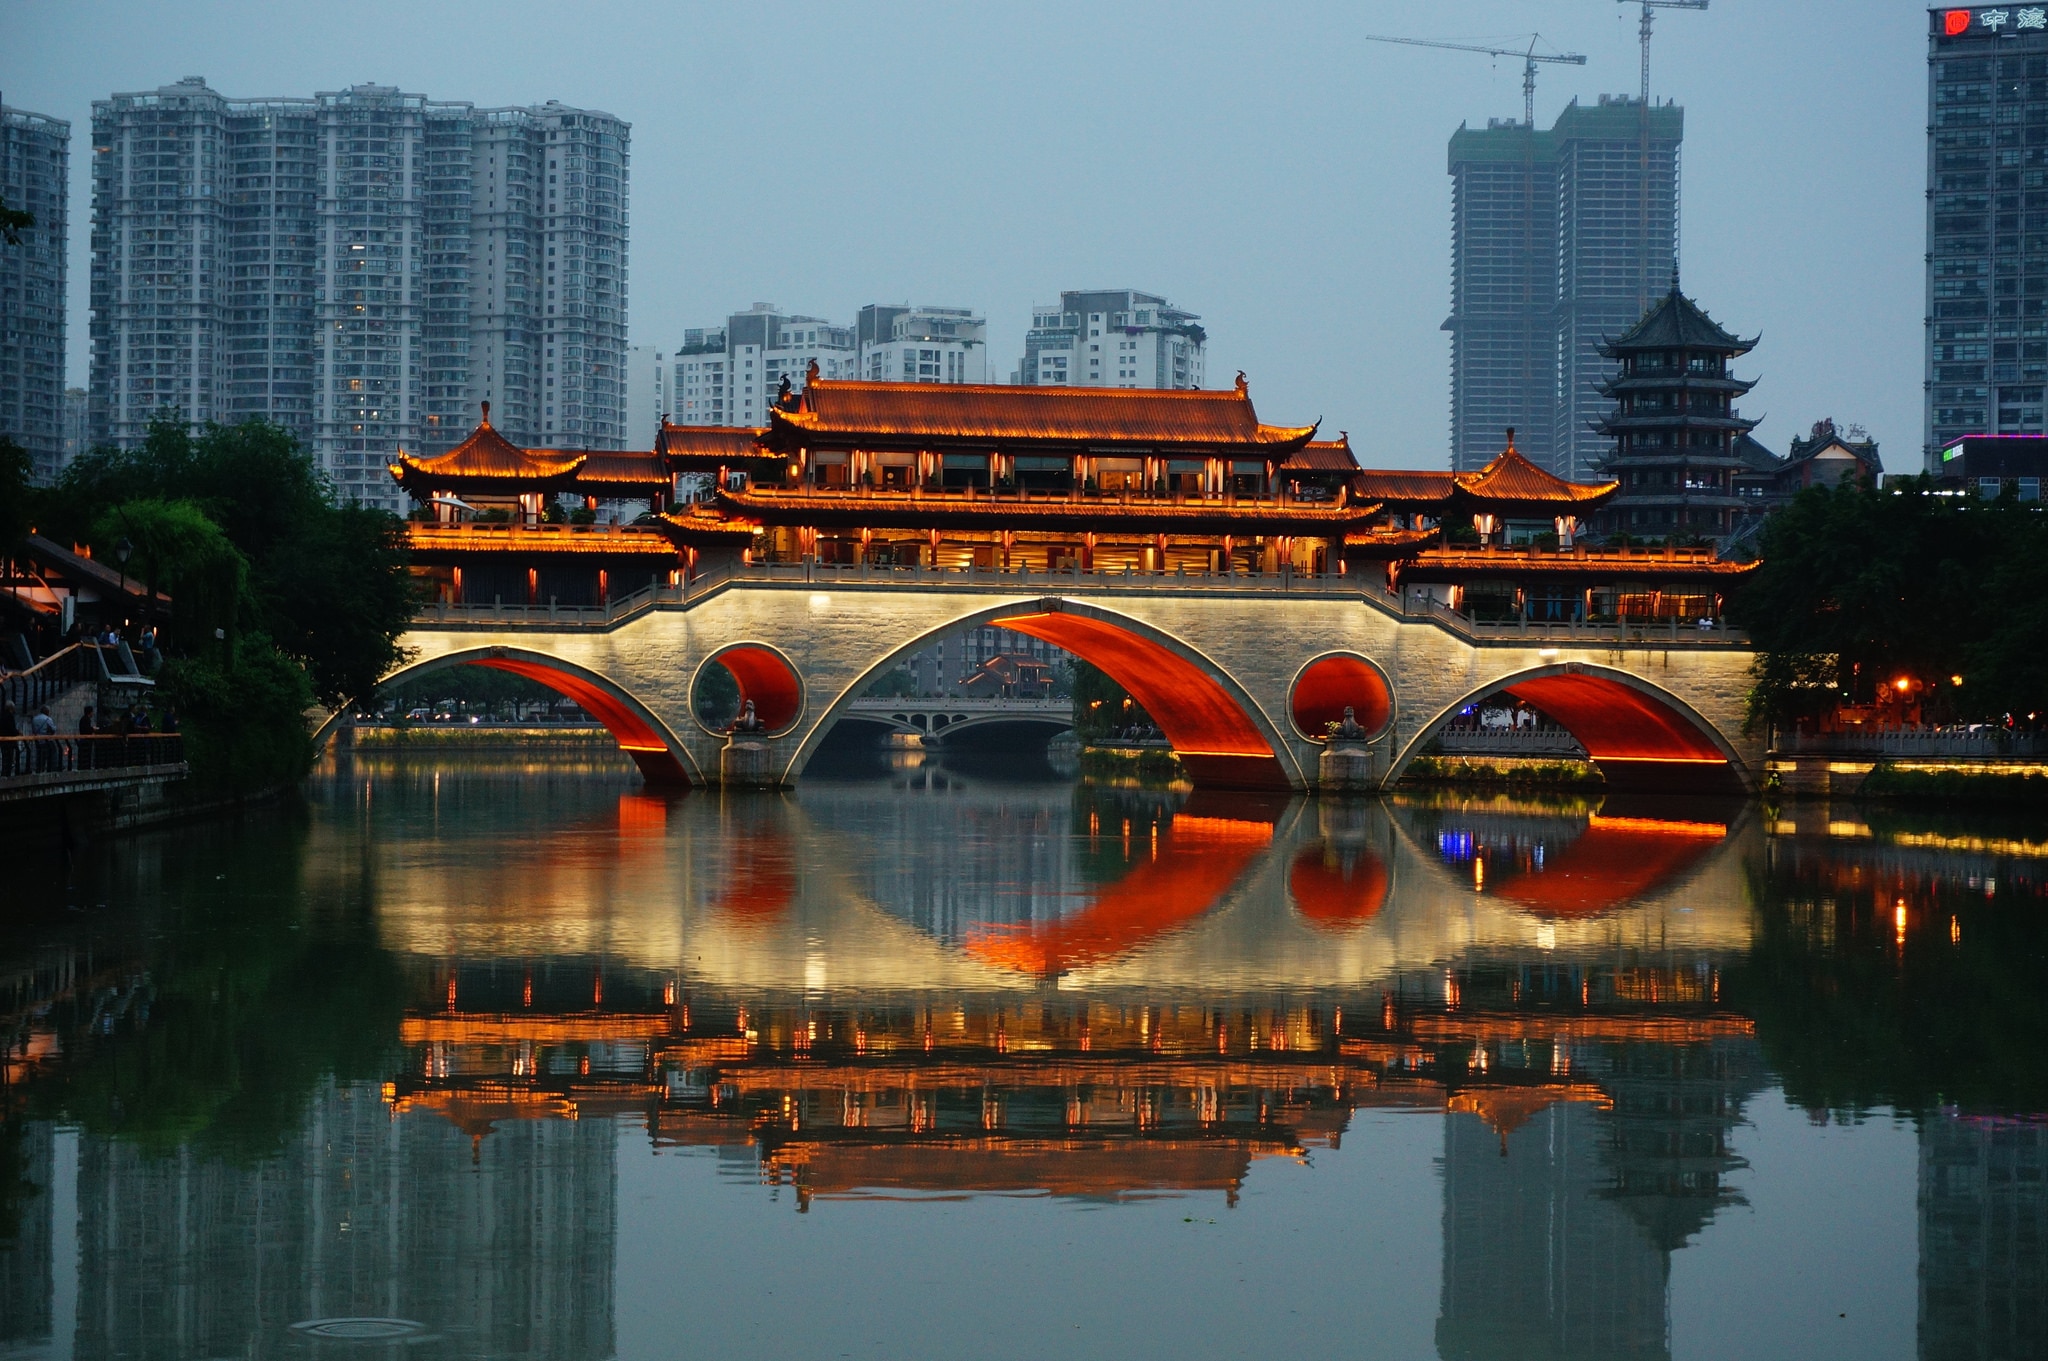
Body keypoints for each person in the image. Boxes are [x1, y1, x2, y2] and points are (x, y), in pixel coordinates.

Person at [30, 704, 58, 772]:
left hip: (37, 741)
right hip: (46, 741)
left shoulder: (34, 718)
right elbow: (53, 729)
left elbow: (33, 729)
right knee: (53, 751)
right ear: (47, 711)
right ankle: (52, 768)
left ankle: (39, 769)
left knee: (40, 755)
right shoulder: (48, 719)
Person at [76, 704, 97, 770]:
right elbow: (86, 729)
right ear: (90, 712)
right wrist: (92, 729)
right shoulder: (86, 719)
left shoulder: (83, 719)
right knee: (86, 755)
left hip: (83, 740)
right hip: (86, 740)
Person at [0, 699, 17, 777]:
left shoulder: (2, 715)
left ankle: (4, 774)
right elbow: (11, 729)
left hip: (3, 740)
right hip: (9, 741)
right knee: (9, 759)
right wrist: (17, 733)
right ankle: (7, 775)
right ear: (11, 708)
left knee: (4, 758)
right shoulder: (10, 716)